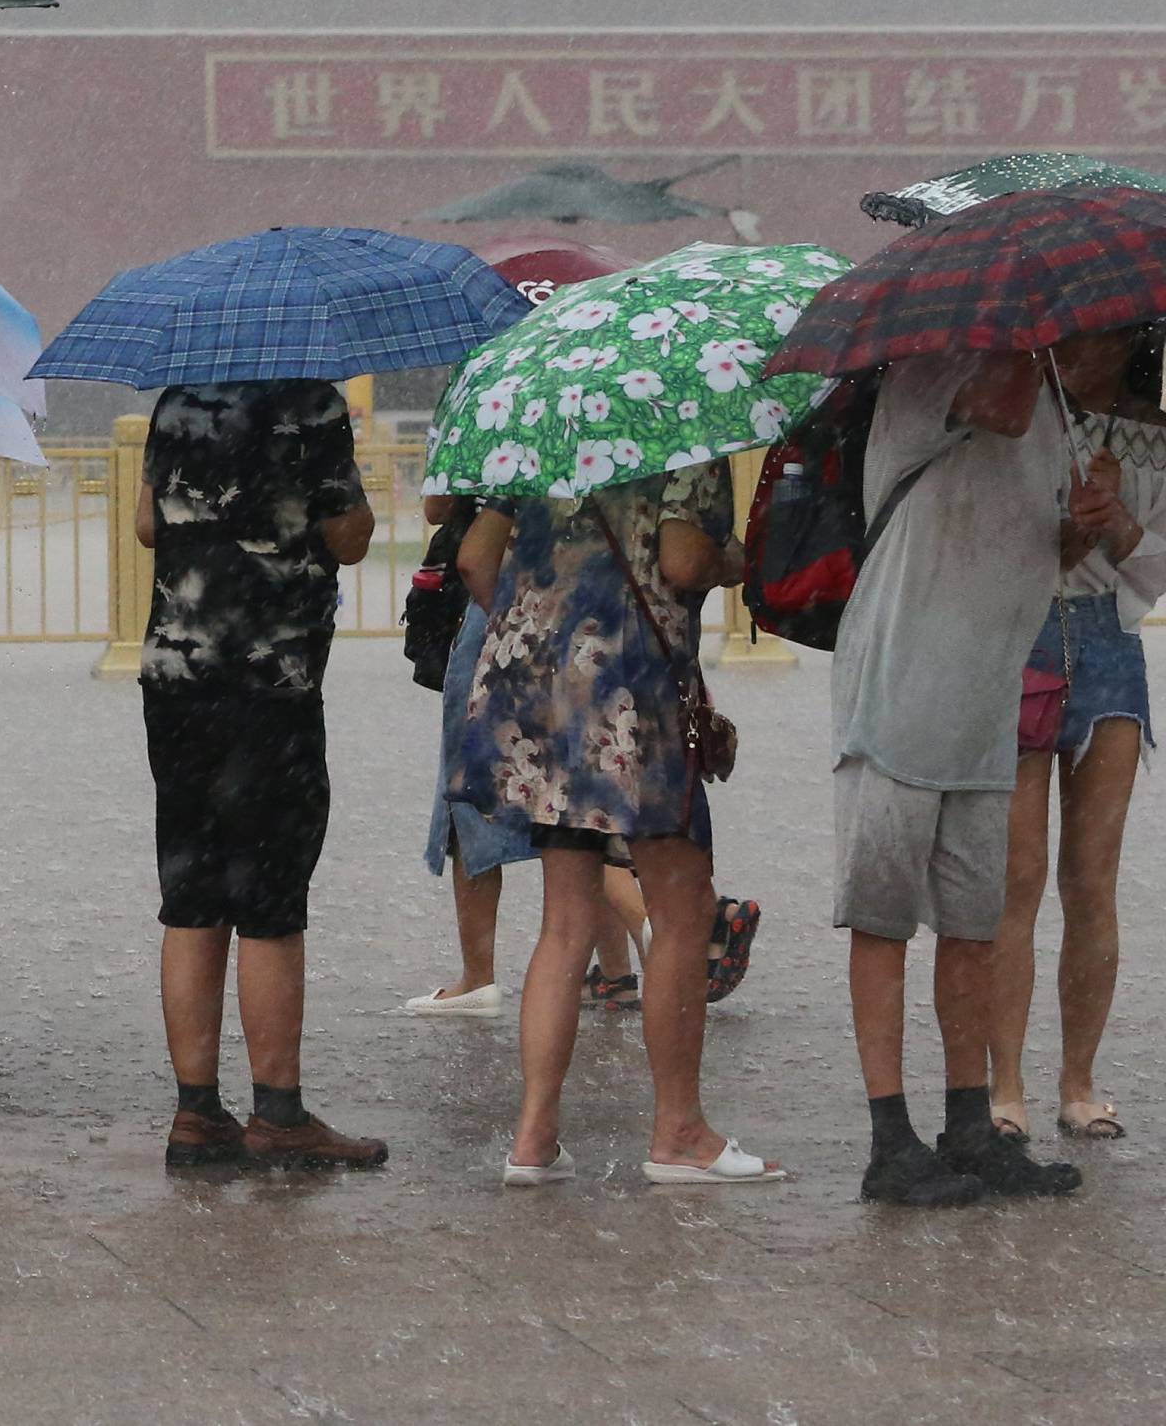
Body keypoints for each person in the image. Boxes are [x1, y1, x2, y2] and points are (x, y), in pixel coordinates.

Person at [454, 463, 781, 1188]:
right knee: (682, 906)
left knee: (564, 920)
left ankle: (533, 1139)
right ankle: (680, 1133)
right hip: (635, 691)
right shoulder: (681, 425)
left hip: (541, 692)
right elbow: (683, 559)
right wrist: (732, 560)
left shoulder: (545, 427)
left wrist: (546, 628)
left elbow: (475, 559)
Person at [834, 350, 1084, 1206]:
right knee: (883, 917)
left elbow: (1045, 538)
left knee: (975, 925)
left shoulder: (1053, 397)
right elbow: (1003, 410)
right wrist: (1031, 341)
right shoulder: (926, 373)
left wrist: (1090, 518)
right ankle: (888, 1138)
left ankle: (971, 1126)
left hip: (985, 698)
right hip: (898, 690)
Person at [136, 378, 387, 1172]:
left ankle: (195, 1113)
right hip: (269, 678)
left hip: (177, 678)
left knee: (191, 890)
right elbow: (348, 536)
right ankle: (278, 1114)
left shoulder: (176, 401)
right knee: (271, 898)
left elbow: (148, 525)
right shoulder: (310, 404)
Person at [407, 497, 760, 1019]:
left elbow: (465, 548)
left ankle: (482, 978)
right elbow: (699, 558)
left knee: (522, 826)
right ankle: (627, 972)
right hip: (634, 642)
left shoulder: (518, 429)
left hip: (534, 619)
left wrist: (517, 629)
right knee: (600, 813)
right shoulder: (662, 438)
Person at [989, 329, 1166, 1144]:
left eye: (1111, 333)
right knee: (1015, 882)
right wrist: (1063, 529)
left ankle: (1079, 1080)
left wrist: (1119, 520)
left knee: (1092, 881)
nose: (1087, 347)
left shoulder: (1151, 434)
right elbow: (994, 543)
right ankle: (1006, 1086)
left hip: (1109, 653)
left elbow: (1155, 571)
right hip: (1020, 636)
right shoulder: (1022, 417)